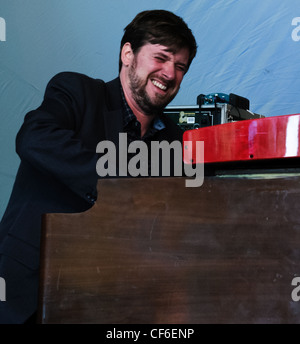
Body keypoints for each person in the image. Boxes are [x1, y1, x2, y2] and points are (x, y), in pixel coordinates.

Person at [0, 9, 197, 323]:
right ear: (127, 53)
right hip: (27, 295)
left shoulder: (177, 141)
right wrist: (120, 183)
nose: (170, 74)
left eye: (181, 66)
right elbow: (32, 138)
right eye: (161, 57)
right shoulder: (77, 92)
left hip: (111, 301)